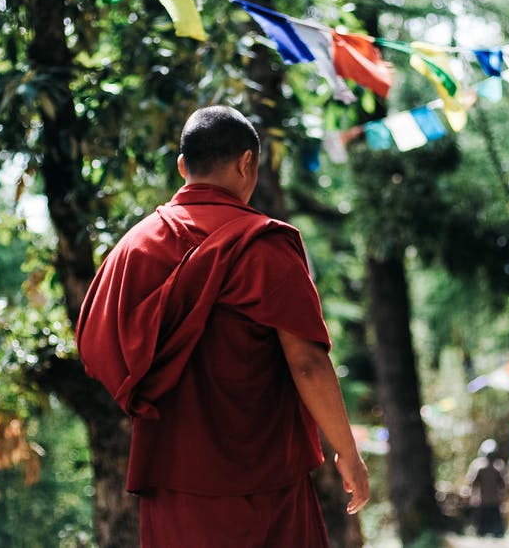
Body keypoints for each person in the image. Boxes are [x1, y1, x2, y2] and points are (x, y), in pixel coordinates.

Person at [75, 106, 370, 548]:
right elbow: (307, 361)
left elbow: (98, 350)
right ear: (246, 162)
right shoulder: (263, 245)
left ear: (182, 167)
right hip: (264, 482)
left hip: (173, 481)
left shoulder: (133, 249)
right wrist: (348, 452)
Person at [464, 439, 507, 537]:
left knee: (492, 532)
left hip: (488, 503)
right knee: (486, 532)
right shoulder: (483, 466)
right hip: (483, 503)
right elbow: (503, 485)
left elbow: (470, 482)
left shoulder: (495, 466)